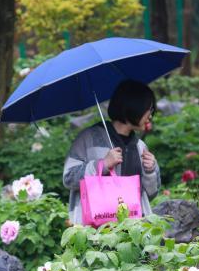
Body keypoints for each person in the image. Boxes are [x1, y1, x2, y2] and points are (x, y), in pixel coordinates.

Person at [62, 79, 161, 224]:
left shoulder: (140, 147)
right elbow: (69, 178)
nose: (150, 116)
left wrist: (150, 171)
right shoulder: (89, 139)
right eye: (149, 109)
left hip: (134, 231)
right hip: (94, 231)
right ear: (134, 105)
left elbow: (151, 195)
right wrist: (102, 165)